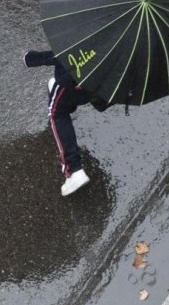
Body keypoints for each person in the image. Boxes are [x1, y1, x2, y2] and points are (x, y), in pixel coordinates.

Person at [23, 50, 111, 196]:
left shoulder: (95, 32)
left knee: (57, 113)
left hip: (75, 80)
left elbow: (64, 54)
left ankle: (73, 170)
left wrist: (32, 59)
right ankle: (65, 98)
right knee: (66, 96)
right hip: (101, 84)